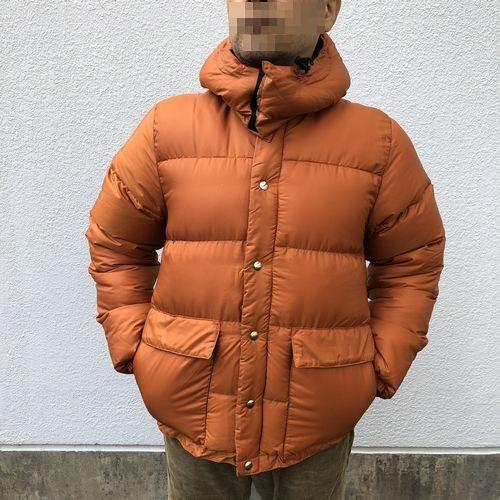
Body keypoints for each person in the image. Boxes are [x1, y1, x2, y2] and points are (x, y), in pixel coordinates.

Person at [85, 1, 446, 498]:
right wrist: (136, 345)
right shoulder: (166, 130)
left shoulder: (377, 143)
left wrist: (381, 364)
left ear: (327, 11)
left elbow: (412, 260)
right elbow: (116, 244)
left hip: (318, 412)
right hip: (192, 402)